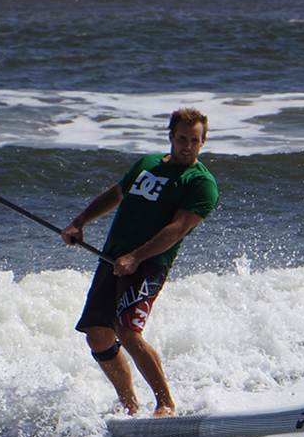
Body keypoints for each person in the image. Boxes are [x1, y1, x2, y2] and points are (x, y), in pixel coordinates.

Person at [60, 108, 218, 417]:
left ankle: (165, 404)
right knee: (97, 335)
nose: (187, 146)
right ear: (171, 136)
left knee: (128, 331)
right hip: (113, 257)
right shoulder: (147, 164)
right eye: (182, 139)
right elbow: (116, 194)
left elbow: (178, 228)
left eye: (194, 140)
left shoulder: (201, 183)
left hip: (149, 263)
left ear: (203, 142)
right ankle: (130, 407)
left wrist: (136, 257)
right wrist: (79, 221)